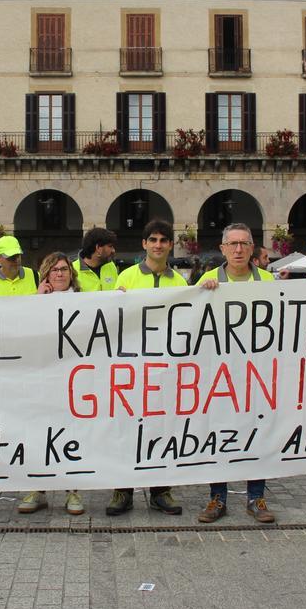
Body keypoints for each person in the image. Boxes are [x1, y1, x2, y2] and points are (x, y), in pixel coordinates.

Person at [193, 223, 277, 524]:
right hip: (219, 375)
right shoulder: (208, 278)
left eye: (244, 243)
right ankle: (217, 497)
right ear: (223, 248)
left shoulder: (268, 280)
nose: (239, 249)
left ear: (253, 248)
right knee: (219, 432)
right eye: (233, 244)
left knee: (258, 432)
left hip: (258, 373)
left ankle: (257, 497)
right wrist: (203, 294)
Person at [109, 219, 188, 517]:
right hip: (130, 370)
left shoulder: (179, 283)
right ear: (143, 244)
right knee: (126, 430)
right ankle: (122, 490)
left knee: (161, 429)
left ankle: (160, 491)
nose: (157, 245)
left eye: (163, 240)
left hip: (165, 370)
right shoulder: (126, 277)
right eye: (152, 239)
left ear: (170, 245)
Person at [17, 252, 87, 516]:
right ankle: (38, 487)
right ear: (46, 274)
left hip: (73, 378)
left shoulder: (85, 300)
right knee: (39, 431)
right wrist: (38, 300)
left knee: (71, 434)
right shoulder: (36, 301)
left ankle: (73, 490)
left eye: (64, 269)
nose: (60, 274)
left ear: (71, 274)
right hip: (42, 378)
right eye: (55, 270)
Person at [73, 227, 119, 292]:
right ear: (98, 248)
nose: (113, 250)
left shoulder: (111, 266)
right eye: (110, 246)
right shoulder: (72, 270)